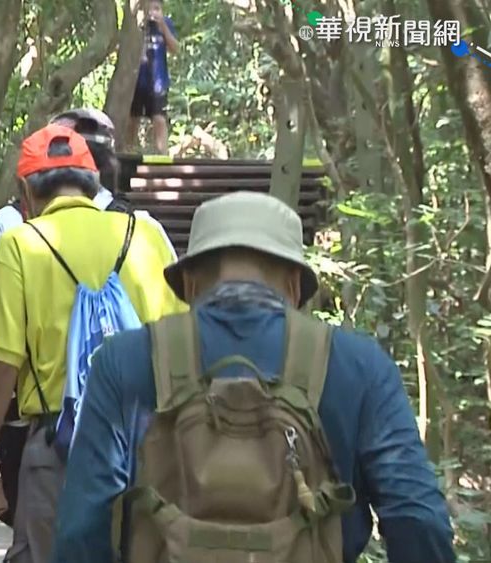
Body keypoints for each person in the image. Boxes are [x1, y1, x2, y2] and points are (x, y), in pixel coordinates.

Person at [52, 191, 457, 563]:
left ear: (189, 284)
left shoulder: (123, 362)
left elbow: (80, 531)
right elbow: (418, 519)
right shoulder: (361, 366)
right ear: (295, 286)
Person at [0, 124, 185, 563]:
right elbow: (180, 346)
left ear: (25, 191)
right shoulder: (144, 236)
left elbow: (1, 365)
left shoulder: (19, 246)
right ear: (95, 182)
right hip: (147, 448)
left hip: (58, 448)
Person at [129, 0, 178, 154]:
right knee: (132, 121)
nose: (153, 12)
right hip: (137, 82)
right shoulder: (135, 26)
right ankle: (127, 153)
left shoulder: (166, 24)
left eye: (156, 8)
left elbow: (175, 48)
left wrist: (163, 26)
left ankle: (162, 158)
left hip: (158, 82)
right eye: (149, 8)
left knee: (159, 120)